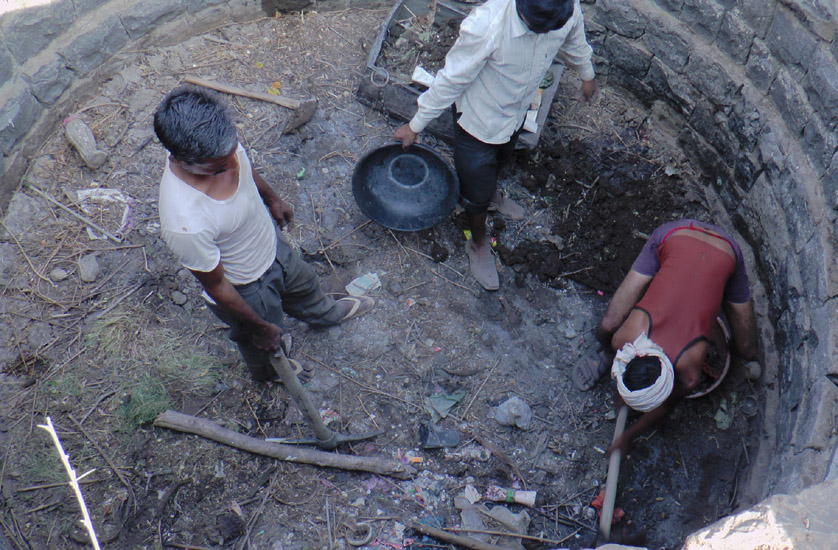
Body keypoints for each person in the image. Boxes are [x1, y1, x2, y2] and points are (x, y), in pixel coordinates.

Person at [153, 86, 374, 382]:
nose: (232, 164)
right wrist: (257, 326)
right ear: (182, 161)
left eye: (232, 153)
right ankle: (272, 371)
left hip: (272, 245)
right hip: (244, 288)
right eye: (219, 168)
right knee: (263, 341)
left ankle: (327, 314)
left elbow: (244, 166)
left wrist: (272, 199)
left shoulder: (218, 143)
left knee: (306, 286)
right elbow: (218, 286)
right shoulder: (184, 221)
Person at [394, 0, 597, 290]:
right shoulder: (486, 26)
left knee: (501, 159)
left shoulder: (565, 8)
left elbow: (575, 38)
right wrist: (415, 126)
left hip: (514, 114)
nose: (545, 34)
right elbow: (451, 81)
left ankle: (491, 197)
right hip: (478, 122)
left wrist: (586, 74)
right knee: (474, 191)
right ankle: (477, 242)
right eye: (537, 28)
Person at [572, 219, 758, 452]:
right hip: (678, 237)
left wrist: (629, 435)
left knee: (747, 349)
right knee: (607, 325)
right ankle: (606, 354)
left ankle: (718, 282)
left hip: (720, 249)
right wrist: (626, 402)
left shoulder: (689, 367)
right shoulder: (625, 339)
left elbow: (667, 405)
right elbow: (659, 400)